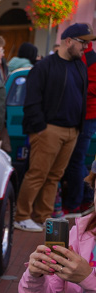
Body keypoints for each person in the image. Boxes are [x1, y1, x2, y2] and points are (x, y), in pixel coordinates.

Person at [14, 23, 91, 233]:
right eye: (83, 43)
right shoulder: (44, 66)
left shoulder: (79, 66)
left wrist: (78, 128)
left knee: (54, 177)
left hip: (72, 130)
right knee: (37, 174)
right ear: (69, 41)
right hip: (48, 130)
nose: (86, 47)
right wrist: (40, 128)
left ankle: (43, 217)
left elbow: (81, 97)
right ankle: (21, 216)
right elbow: (31, 100)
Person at [60, 38, 96, 218]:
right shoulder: (78, 57)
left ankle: (76, 203)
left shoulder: (91, 58)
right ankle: (84, 199)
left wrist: (77, 87)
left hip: (87, 116)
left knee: (76, 160)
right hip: (76, 115)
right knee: (75, 160)